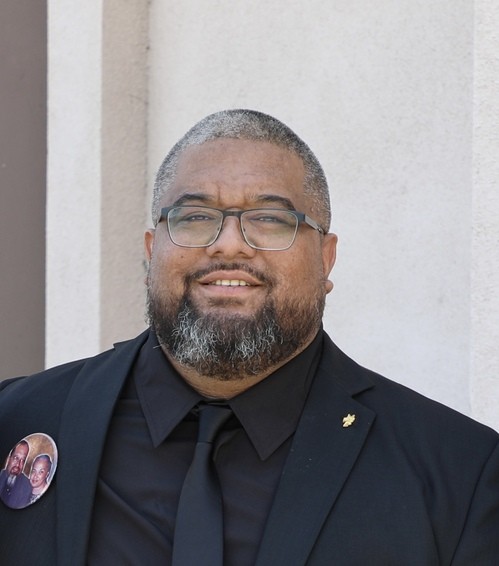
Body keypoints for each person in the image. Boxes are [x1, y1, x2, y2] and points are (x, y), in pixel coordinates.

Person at [0, 109, 498, 565]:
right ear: (151, 252)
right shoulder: (18, 418)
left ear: (325, 259)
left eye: (270, 219)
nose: (229, 245)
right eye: (196, 217)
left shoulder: (460, 472)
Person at [0, 440, 31, 510]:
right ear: (8, 459)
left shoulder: (26, 486)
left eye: (23, 460)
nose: (18, 465)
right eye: (16, 458)